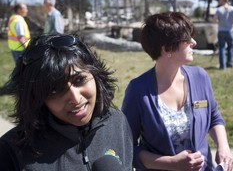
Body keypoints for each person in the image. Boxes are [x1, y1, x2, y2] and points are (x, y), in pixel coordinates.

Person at [0, 34, 133, 171]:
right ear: (37, 98)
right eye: (55, 90)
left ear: (96, 76)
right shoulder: (10, 153)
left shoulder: (117, 122)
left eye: (79, 80)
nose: (75, 99)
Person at [122, 12, 233, 171]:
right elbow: (126, 148)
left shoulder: (200, 77)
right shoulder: (138, 91)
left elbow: (214, 116)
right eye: (187, 39)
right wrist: (171, 163)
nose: (194, 42)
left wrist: (223, 147)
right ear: (167, 49)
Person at [213, 0, 233, 69]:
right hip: (230, 31)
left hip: (221, 31)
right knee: (230, 48)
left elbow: (214, 19)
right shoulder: (232, 9)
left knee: (222, 48)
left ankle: (222, 66)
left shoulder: (219, 9)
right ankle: (229, 64)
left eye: (220, 0)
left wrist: (219, 20)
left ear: (223, 0)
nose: (219, 1)